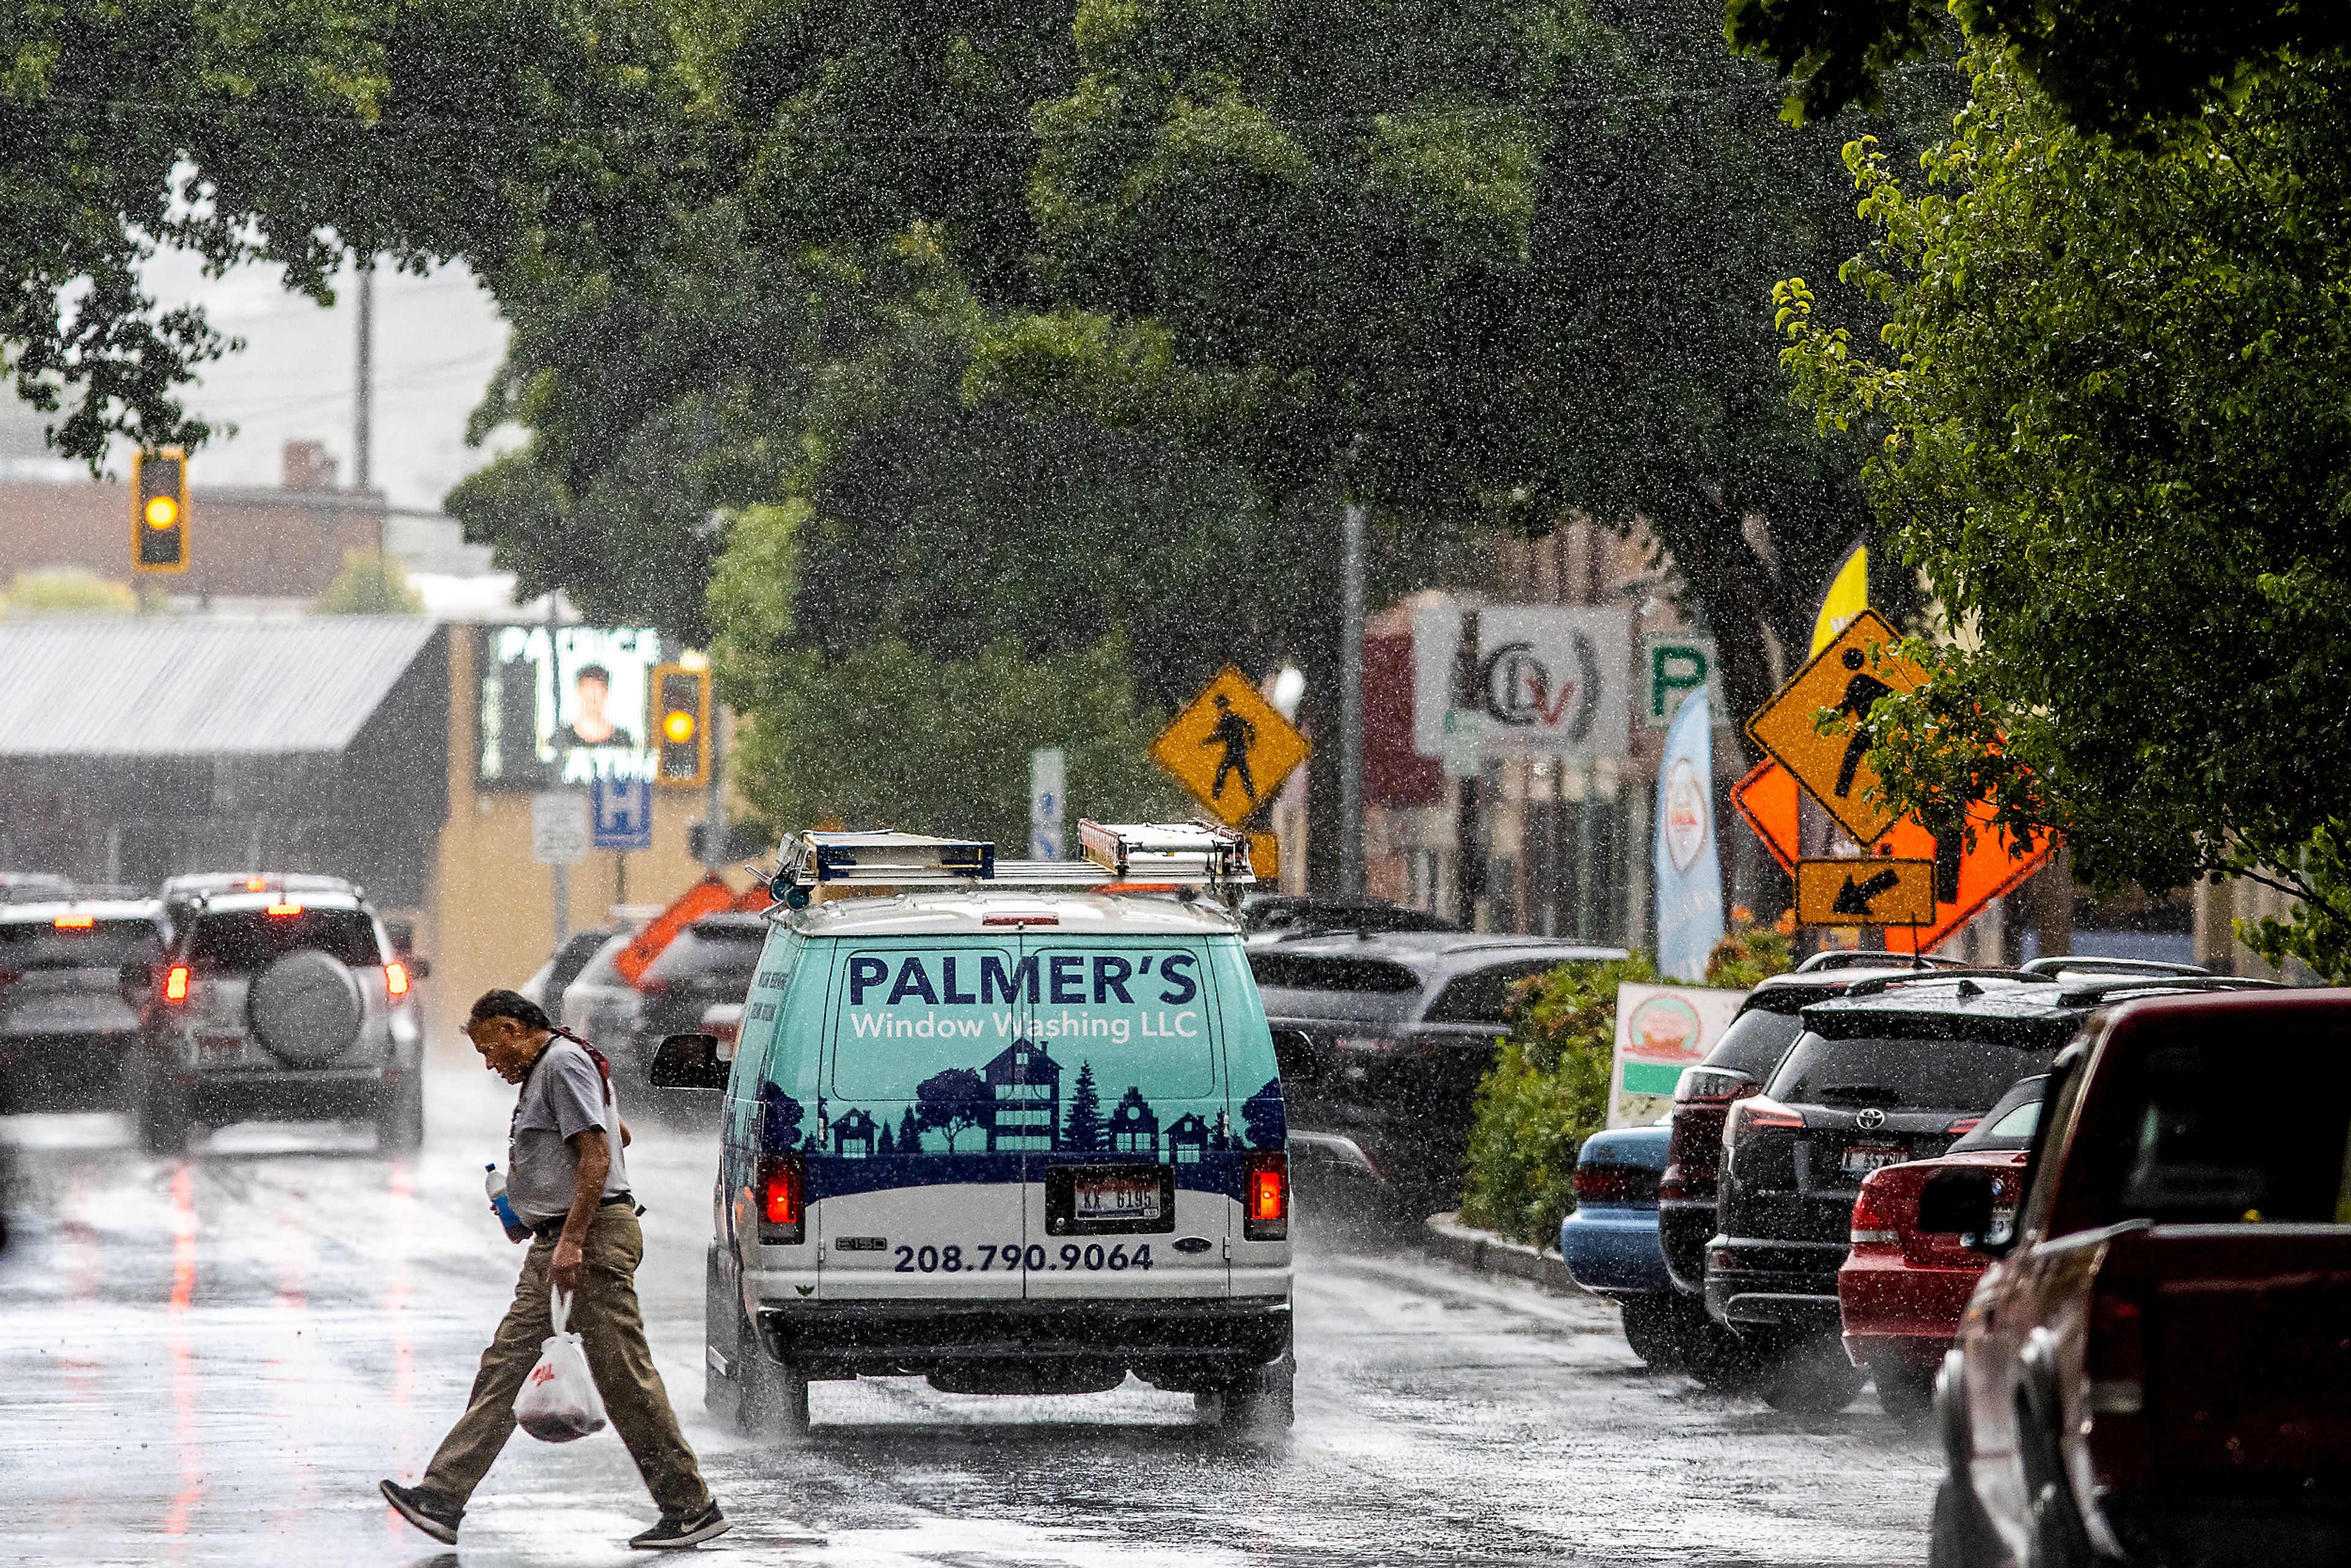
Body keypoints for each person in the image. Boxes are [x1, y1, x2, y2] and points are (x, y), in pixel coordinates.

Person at [380, 991, 727, 1551]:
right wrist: (536, 1198)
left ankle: (692, 1508)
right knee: (506, 1366)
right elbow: (619, 1133)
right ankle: (443, 1497)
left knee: (624, 1379)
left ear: (517, 1028)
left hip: (586, 1241)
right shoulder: (557, 1066)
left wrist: (569, 1240)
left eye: (493, 1049)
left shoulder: (561, 1063)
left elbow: (598, 1154)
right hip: (559, 1238)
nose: (491, 1064)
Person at [551, 664, 637, 751]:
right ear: (579, 693)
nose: (592, 698)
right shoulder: (562, 737)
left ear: (606, 693)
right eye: (587, 690)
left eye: (597, 690)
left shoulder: (622, 739)